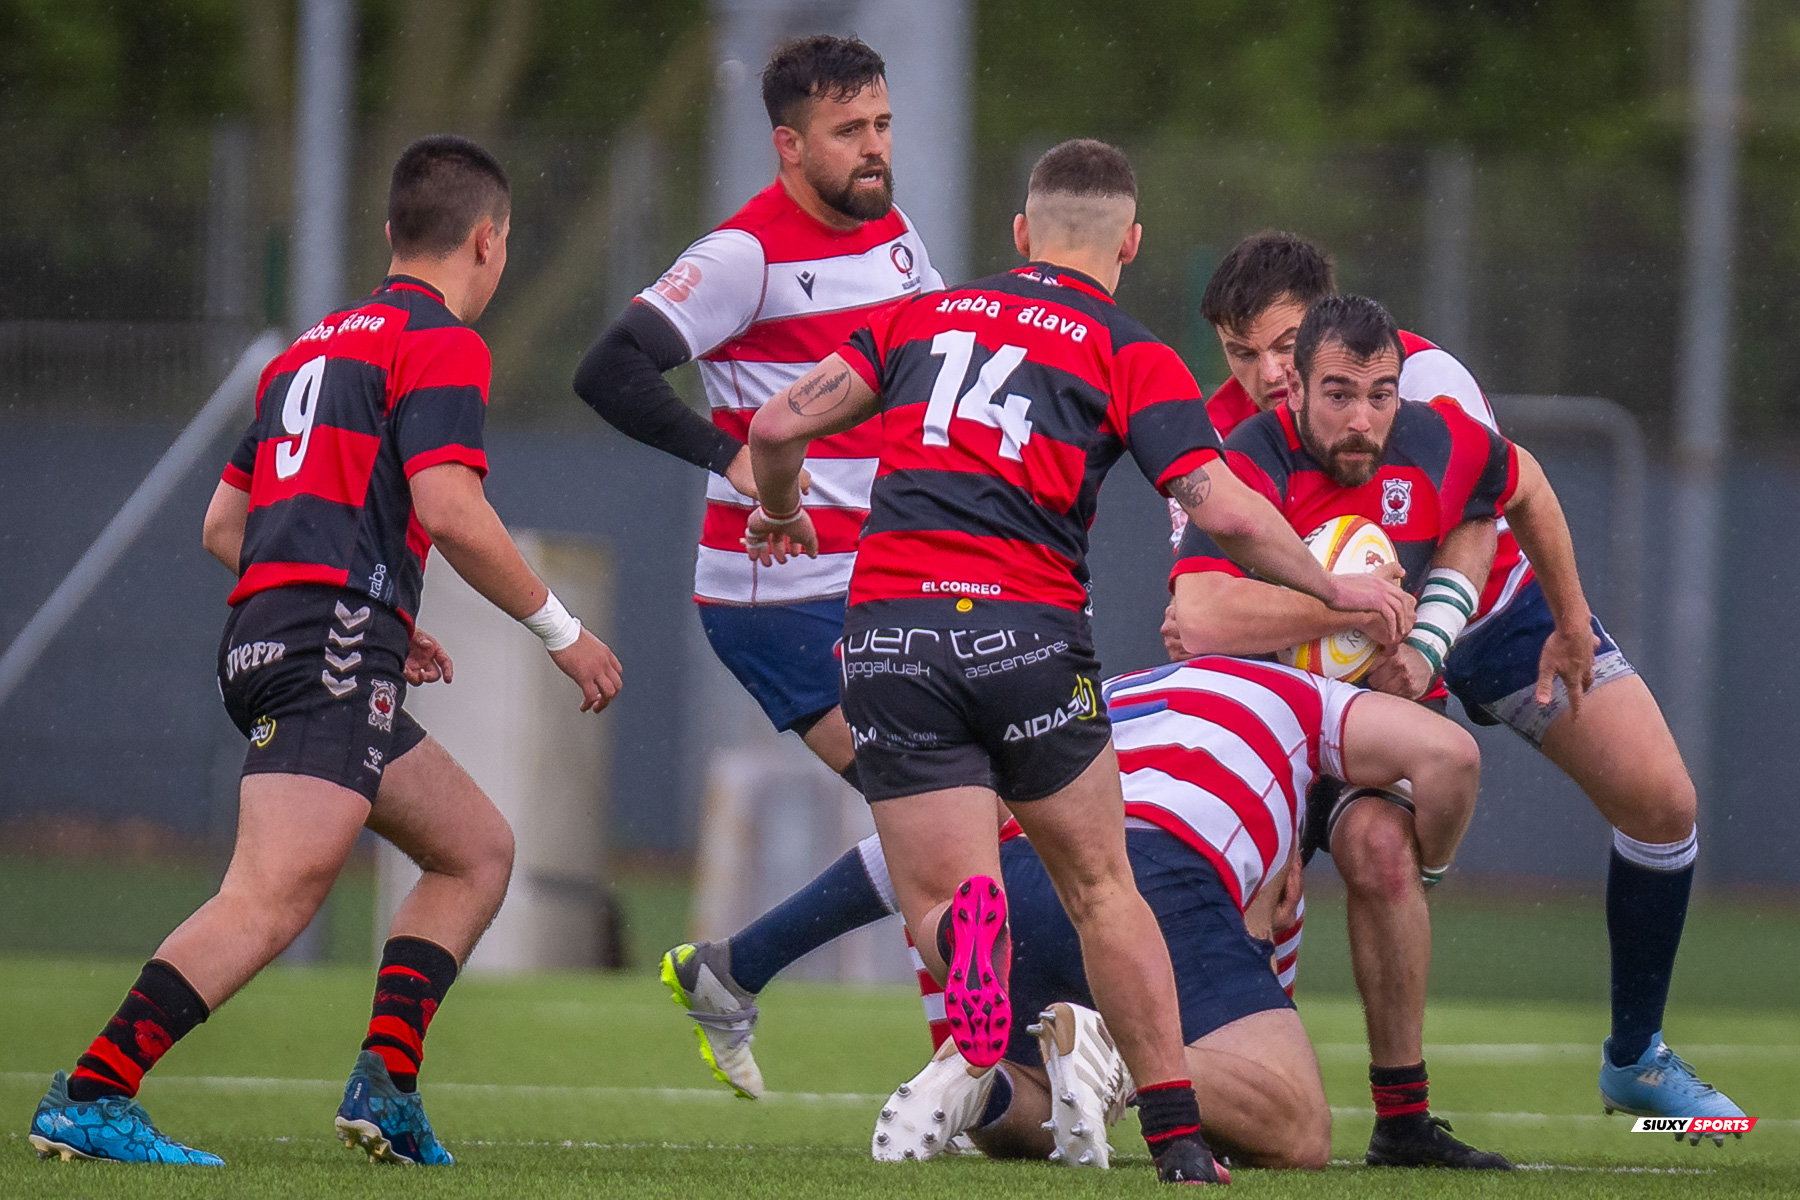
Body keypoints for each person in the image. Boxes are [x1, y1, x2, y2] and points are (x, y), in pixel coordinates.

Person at [741, 139, 1413, 1185]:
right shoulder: (1124, 348)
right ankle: (1181, 1141)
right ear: (1130, 244)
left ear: (1019, 234)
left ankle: (970, 940)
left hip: (887, 631)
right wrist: (1335, 590)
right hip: (1023, 632)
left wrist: (779, 511)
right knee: (1104, 888)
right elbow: (1219, 507)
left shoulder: (921, 316)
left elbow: (779, 421)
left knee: (944, 896)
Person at [26, 135, 622, 1168]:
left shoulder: (310, 349)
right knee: (274, 891)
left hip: (287, 631)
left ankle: (385, 1085)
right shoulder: (439, 343)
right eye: (506, 244)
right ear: (488, 242)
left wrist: (378, 605)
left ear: (392, 234)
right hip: (328, 641)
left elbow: (227, 524)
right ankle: (92, 1090)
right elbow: (452, 507)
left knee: (475, 851)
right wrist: (562, 635)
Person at [1170, 231, 1744, 1140]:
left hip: (1488, 608)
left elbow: (1485, 510)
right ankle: (1243, 1089)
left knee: (1663, 800)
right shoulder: (1221, 441)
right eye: (1242, 354)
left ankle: (1636, 1058)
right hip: (1330, 653)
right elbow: (1213, 613)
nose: (1265, 374)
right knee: (1295, 870)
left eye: (1283, 347)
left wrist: (1444, 637)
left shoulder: (1427, 383)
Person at [570, 35, 941, 1099]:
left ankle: (734, 974)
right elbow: (609, 368)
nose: (874, 152)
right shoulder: (745, 255)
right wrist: (731, 458)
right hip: (781, 595)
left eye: (880, 126)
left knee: (957, 820)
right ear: (787, 145)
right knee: (944, 821)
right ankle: (971, 1065)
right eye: (847, 133)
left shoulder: (898, 233)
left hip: (881, 579)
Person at [870, 655, 1482, 1171]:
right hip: (1159, 870)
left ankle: (983, 1087)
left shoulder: (1122, 687)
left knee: (1048, 1102)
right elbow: (1452, 756)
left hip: (1024, 866)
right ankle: (1112, 1045)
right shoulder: (1303, 697)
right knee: (1296, 1127)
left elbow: (893, 860)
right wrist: (1431, 872)